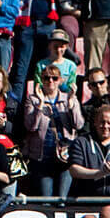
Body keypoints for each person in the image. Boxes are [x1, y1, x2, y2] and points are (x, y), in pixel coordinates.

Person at [23, 65, 84, 197]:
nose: (50, 81)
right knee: (46, 199)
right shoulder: (32, 99)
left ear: (60, 80)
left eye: (54, 78)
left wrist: (71, 103)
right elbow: (31, 126)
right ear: (41, 80)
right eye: (46, 78)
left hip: (65, 156)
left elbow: (78, 124)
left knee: (62, 198)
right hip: (43, 156)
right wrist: (40, 105)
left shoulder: (68, 97)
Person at [69, 105, 110, 196]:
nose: (105, 126)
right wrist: (99, 173)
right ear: (95, 123)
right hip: (86, 201)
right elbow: (74, 170)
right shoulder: (81, 142)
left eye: (109, 123)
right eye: (102, 122)